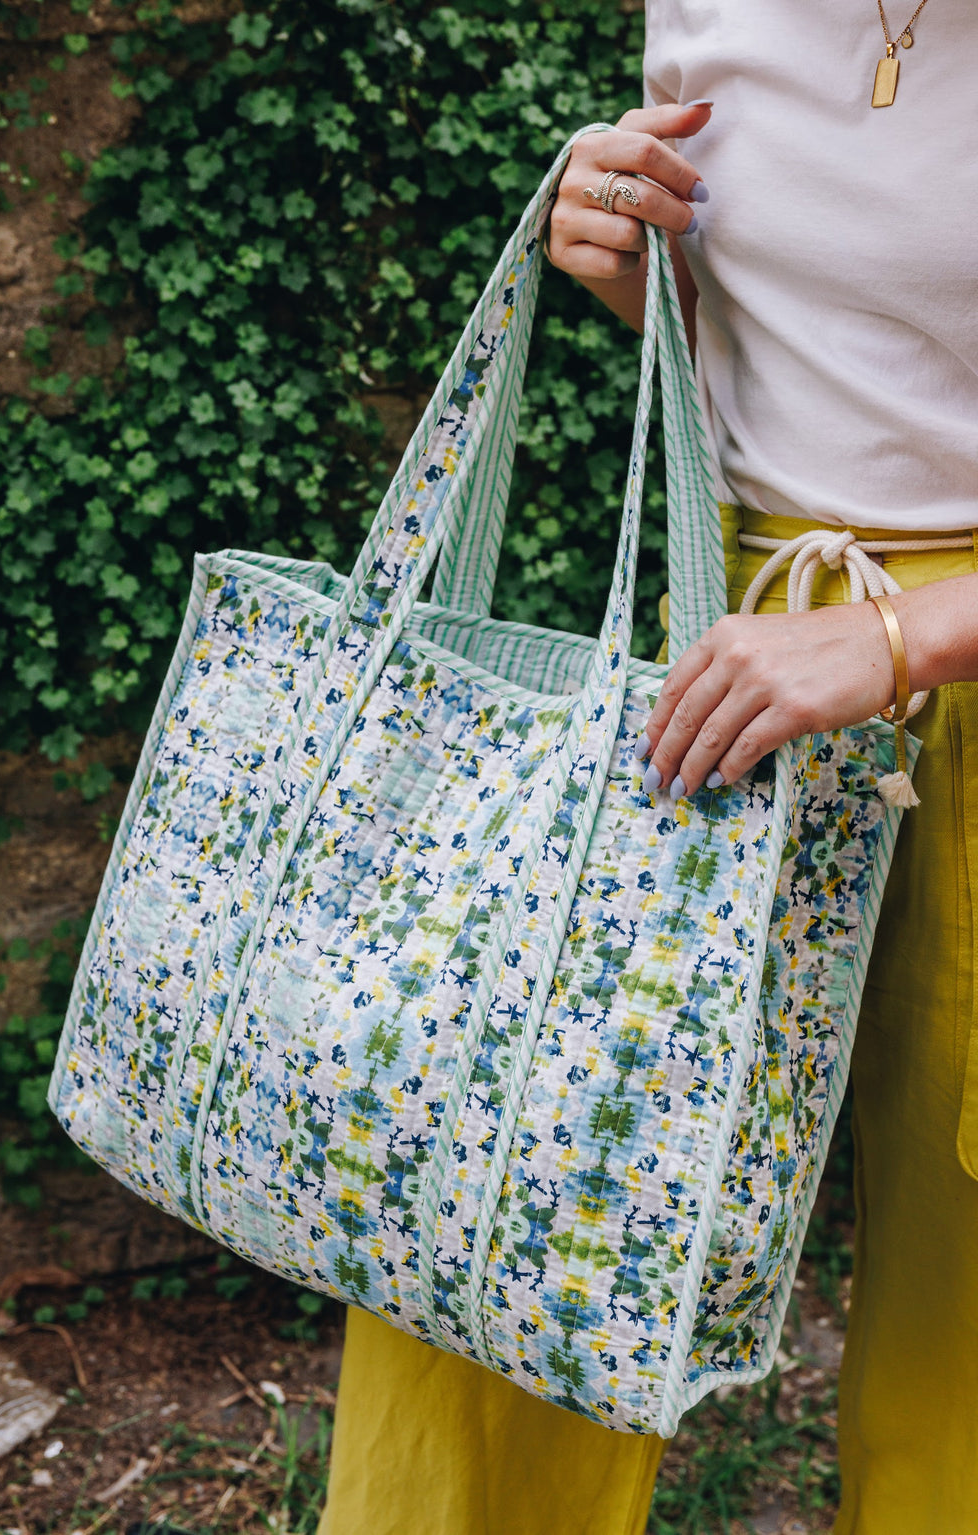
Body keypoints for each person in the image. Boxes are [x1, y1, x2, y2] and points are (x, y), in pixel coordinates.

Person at [318, 4, 978, 1531]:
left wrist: (897, 641)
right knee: (518, 1183)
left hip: (928, 651)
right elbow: (806, 349)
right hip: (732, 641)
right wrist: (633, 267)